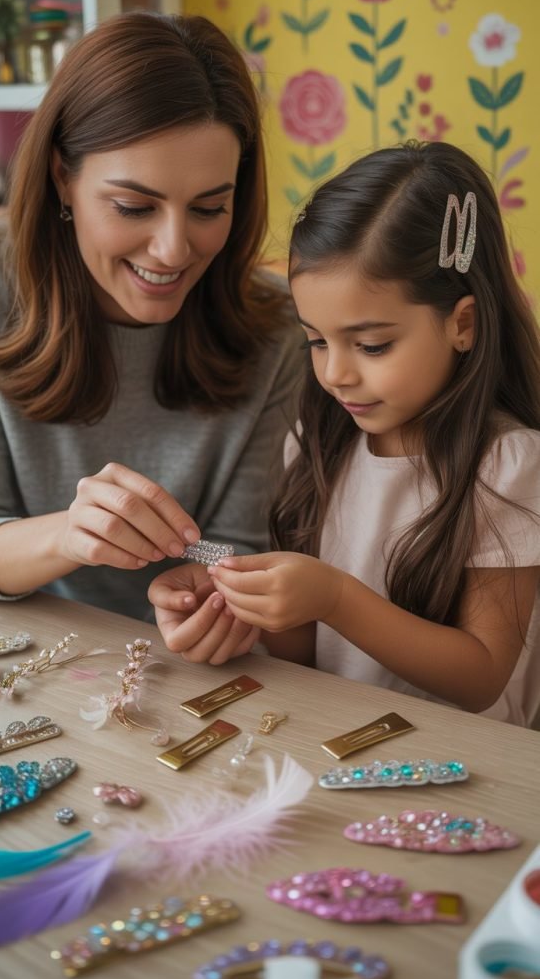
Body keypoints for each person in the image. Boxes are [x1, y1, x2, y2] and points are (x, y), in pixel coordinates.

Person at [151, 140, 540, 725]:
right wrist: (245, 601)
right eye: (316, 340)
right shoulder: (319, 441)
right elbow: (304, 654)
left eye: (372, 345)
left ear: (463, 324)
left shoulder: (506, 464)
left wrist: (334, 598)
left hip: (467, 765)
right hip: (334, 736)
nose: (336, 373)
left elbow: (481, 678)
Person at [0, 11, 301, 642]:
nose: (174, 250)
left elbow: (236, 548)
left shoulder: (278, 328)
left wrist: (215, 608)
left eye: (209, 208)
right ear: (63, 177)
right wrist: (69, 534)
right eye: (133, 207)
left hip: (169, 676)